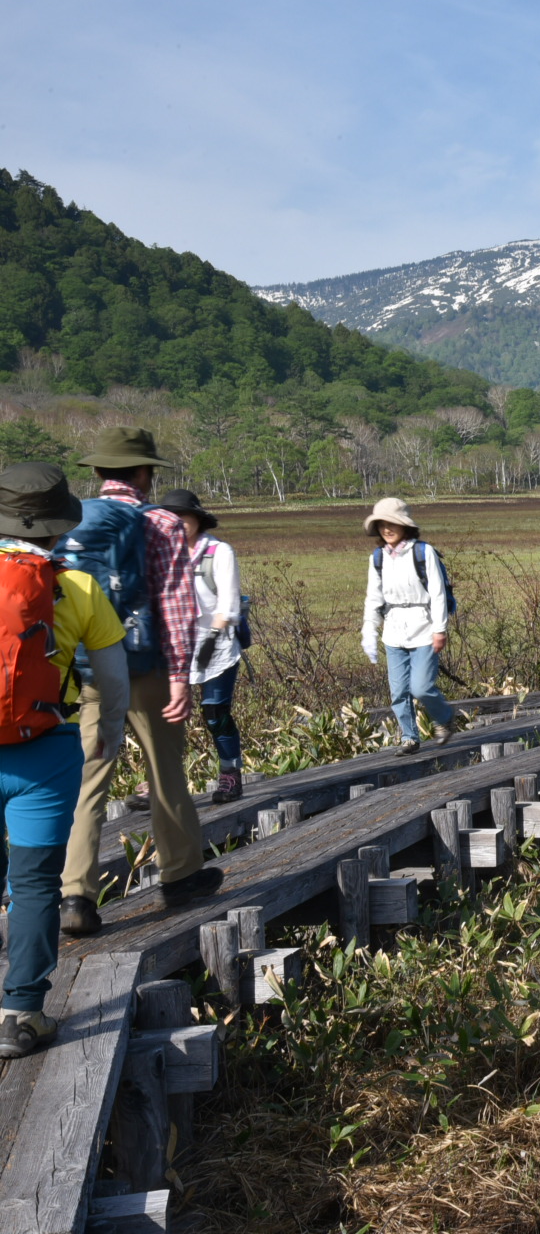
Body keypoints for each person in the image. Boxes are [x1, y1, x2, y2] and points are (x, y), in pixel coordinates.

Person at [60, 427, 219, 937]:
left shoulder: (73, 519)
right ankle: (181, 874)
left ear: (99, 471)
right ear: (145, 473)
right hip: (146, 668)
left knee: (89, 780)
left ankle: (75, 895)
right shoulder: (163, 522)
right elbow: (176, 605)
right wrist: (180, 676)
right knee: (165, 770)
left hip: (91, 669)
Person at [0, 464, 130, 1057]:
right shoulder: (76, 587)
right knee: (33, 884)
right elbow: (112, 679)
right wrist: (109, 735)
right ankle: (21, 1014)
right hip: (45, 755)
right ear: (58, 527)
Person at [161, 490, 246, 803]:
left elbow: (229, 603)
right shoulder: (162, 554)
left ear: (198, 518)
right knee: (166, 715)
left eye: (182, 516)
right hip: (173, 648)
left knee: (215, 713)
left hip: (217, 647)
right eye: (170, 517)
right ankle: (159, 781)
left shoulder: (219, 552)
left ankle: (230, 775)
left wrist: (211, 637)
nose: (177, 523)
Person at [360, 498, 458, 753]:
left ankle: (445, 718)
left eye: (392, 523)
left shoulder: (423, 552)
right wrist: (369, 631)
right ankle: (409, 737)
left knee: (421, 687)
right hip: (393, 632)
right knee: (399, 691)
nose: (387, 529)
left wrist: (440, 629)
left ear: (405, 526)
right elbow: (374, 597)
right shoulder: (378, 558)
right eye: (382, 524)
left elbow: (437, 593)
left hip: (424, 629)